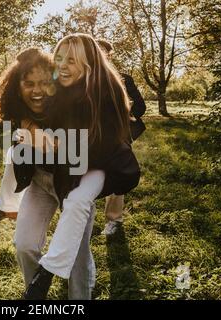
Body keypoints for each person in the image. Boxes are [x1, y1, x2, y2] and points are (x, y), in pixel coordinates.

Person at [18, 34, 140, 299]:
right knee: (25, 245)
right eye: (59, 58)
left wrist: (56, 145)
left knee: (77, 248)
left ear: (88, 64)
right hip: (42, 178)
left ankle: (73, 294)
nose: (62, 65)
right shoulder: (50, 88)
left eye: (71, 60)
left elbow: (98, 149)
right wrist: (28, 126)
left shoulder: (107, 95)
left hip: (83, 175)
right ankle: (35, 293)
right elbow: (17, 108)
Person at [97, 39, 146, 236]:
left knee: (117, 174)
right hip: (92, 135)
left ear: (109, 54)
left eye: (103, 51)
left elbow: (140, 107)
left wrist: (121, 113)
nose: (100, 54)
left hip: (118, 135)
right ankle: (84, 217)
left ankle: (114, 220)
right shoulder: (83, 79)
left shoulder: (124, 79)